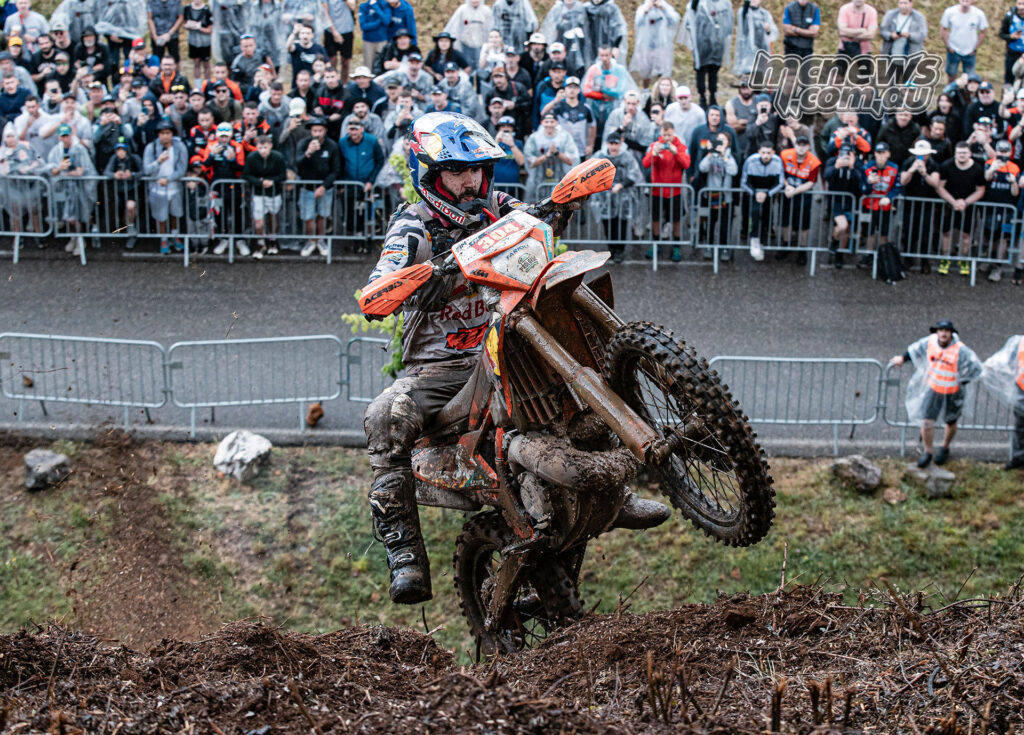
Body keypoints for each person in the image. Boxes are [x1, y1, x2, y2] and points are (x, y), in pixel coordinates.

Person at [890, 320, 982, 468]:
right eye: (941, 330)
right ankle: (928, 452)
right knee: (926, 421)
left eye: (947, 331)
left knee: (950, 421)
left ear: (952, 333)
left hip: (953, 392)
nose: (943, 333)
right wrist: (902, 358)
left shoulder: (960, 350)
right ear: (937, 332)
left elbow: (976, 368)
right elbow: (915, 350)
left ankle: (945, 447)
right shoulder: (930, 342)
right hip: (933, 389)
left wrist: (962, 380)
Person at [591, 130, 643, 262]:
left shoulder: (627, 157)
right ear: (607, 143)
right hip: (605, 199)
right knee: (608, 224)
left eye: (616, 143)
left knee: (621, 224)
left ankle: (620, 250)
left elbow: (634, 173)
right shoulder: (599, 156)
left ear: (620, 144)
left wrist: (621, 185)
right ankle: (611, 249)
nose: (614, 146)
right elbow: (591, 173)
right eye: (611, 143)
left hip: (623, 198)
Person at [936, 140, 986, 276]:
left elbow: (981, 190)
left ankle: (963, 259)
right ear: (955, 154)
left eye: (964, 153)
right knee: (946, 232)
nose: (961, 156)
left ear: (969, 153)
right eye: (959, 153)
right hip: (949, 204)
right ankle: (945, 258)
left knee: (966, 234)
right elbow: (940, 187)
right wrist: (953, 202)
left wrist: (965, 202)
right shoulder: (947, 166)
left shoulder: (977, 169)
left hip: (968, 206)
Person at [642, 119, 690, 260]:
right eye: (664, 135)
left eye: (669, 135)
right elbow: (645, 163)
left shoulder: (680, 146)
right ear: (661, 133)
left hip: (675, 191)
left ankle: (676, 246)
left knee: (676, 219)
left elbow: (686, 164)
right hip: (657, 190)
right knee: (656, 218)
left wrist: (676, 153)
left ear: (673, 133)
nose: (667, 138)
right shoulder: (655, 145)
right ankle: (655, 243)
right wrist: (653, 154)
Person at [47, 121, 96, 256]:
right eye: (62, 136)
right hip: (64, 189)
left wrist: (65, 173)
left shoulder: (79, 149)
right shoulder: (56, 151)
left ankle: (80, 240)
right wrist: (60, 169)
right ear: (58, 137)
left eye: (67, 135)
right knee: (68, 217)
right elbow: (51, 170)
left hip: (79, 188)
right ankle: (73, 238)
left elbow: (81, 171)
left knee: (76, 217)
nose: (65, 138)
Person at [296, 116, 340, 257]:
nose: (317, 134)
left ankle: (321, 240)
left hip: (325, 188)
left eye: (320, 130)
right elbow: (297, 164)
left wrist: (324, 186)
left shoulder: (332, 146)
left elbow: (336, 170)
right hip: (306, 187)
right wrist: (308, 153)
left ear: (325, 131)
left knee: (322, 215)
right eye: (314, 130)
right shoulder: (303, 144)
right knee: (308, 217)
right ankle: (311, 240)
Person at [143, 118, 187, 254]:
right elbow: (147, 169)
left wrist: (169, 179)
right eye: (162, 133)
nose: (165, 136)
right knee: (161, 217)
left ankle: (175, 237)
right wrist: (158, 161)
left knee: (175, 214)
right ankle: (163, 239)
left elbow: (182, 168)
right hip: (158, 189)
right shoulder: (151, 147)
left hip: (174, 188)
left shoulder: (180, 147)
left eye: (168, 133)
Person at [980, 334, 1024, 470]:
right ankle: (1018, 458)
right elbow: (1005, 358)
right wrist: (990, 365)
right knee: (1020, 428)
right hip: (1021, 391)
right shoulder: (1020, 342)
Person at [680, 0, 733, 110]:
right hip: (702, 43)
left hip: (717, 44)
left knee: (714, 71)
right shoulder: (699, 3)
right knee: (701, 71)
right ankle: (702, 97)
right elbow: (690, 16)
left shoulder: (723, 4)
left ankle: (713, 96)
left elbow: (728, 24)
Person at [859, 141, 901, 277]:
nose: (881, 156)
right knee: (870, 231)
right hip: (869, 204)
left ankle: (882, 255)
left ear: (888, 154)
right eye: (878, 153)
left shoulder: (894, 168)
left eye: (883, 153)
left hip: (886, 206)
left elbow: (897, 186)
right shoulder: (868, 167)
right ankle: (869, 254)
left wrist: (889, 197)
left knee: (884, 232)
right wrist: (869, 183)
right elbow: (862, 187)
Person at [898, 139, 941, 271]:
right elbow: (903, 181)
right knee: (908, 231)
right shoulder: (908, 163)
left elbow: (935, 183)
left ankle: (924, 260)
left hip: (927, 204)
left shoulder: (933, 165)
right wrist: (912, 170)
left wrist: (924, 173)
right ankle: (908, 259)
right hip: (910, 203)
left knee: (925, 233)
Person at [980, 138, 1019, 282]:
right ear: (996, 151)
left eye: (1006, 151)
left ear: (1010, 153)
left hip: (1007, 210)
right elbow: (986, 178)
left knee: (1003, 239)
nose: (1003, 154)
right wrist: (992, 169)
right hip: (990, 207)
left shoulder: (1014, 168)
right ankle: (987, 260)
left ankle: (998, 267)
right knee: (989, 236)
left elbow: (1015, 193)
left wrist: (1013, 182)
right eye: (1000, 151)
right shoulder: (990, 164)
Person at [241, 134, 286, 257]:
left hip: (273, 193)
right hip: (258, 194)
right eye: (260, 148)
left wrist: (271, 181)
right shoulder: (252, 157)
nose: (263, 151)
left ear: (270, 146)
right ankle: (260, 243)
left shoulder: (278, 157)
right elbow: (246, 175)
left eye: (265, 147)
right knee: (258, 222)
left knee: (273, 217)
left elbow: (283, 175)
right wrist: (259, 182)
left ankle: (272, 240)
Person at [778, 134, 819, 265]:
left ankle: (802, 250)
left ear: (808, 147)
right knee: (785, 221)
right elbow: (780, 173)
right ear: (794, 145)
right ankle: (786, 245)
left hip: (803, 196)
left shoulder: (814, 162)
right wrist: (787, 186)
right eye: (798, 145)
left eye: (804, 145)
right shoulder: (785, 155)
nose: (801, 148)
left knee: (803, 224)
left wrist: (795, 191)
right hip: (787, 192)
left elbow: (811, 182)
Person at [741, 142, 783, 261]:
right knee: (754, 213)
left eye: (769, 153)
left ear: (773, 153)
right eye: (763, 152)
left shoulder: (777, 162)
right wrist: (754, 193)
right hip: (754, 190)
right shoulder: (751, 161)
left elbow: (779, 182)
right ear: (759, 152)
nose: (766, 156)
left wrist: (768, 193)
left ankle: (763, 241)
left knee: (767, 215)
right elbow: (744, 181)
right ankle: (754, 240)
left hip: (768, 191)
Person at [581, 44, 631, 138]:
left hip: (613, 108)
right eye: (602, 55)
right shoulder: (594, 69)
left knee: (610, 132)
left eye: (606, 55)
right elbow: (586, 91)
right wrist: (603, 95)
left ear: (611, 55)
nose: (604, 58)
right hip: (595, 107)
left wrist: (600, 89)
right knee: (595, 133)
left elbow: (619, 92)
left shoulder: (619, 70)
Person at [103, 141, 142, 248]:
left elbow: (143, 172)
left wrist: (132, 175)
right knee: (117, 210)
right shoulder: (114, 159)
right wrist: (114, 175)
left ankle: (131, 229)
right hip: (118, 190)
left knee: (130, 207)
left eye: (123, 150)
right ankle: (122, 228)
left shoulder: (134, 158)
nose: (120, 153)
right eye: (118, 150)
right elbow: (107, 172)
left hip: (131, 189)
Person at [941, 0, 989, 83]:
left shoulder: (979, 14)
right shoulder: (949, 12)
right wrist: (948, 46)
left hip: (970, 51)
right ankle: (950, 94)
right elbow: (943, 29)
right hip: (953, 50)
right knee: (951, 77)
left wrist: (975, 48)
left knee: (969, 79)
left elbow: (984, 32)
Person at [880, 0, 927, 80]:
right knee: (892, 84)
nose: (903, 6)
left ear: (911, 3)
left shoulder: (919, 17)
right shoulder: (890, 15)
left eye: (905, 3)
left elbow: (922, 35)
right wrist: (891, 35)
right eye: (900, 3)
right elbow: (882, 31)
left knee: (908, 85)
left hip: (911, 57)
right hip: (892, 56)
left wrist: (909, 35)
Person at [734, 0, 779, 77]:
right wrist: (746, 5)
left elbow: (773, 34)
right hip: (747, 53)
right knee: (747, 79)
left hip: (762, 52)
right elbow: (742, 26)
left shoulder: (765, 14)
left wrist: (768, 30)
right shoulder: (744, 12)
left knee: (759, 79)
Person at [444, 0, 492, 66]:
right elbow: (454, 28)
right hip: (466, 47)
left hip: (482, 48)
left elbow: (490, 29)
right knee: (467, 68)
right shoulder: (462, 10)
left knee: (481, 69)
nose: (474, 1)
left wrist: (489, 46)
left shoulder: (486, 11)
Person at [323, 0, 356, 82]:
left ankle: (344, 84)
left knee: (345, 61)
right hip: (330, 31)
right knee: (332, 60)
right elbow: (325, 14)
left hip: (347, 30)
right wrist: (334, 31)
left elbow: (353, 7)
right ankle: (331, 81)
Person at [183, 0, 213, 82]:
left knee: (206, 63)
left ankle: (207, 84)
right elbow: (184, 23)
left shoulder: (207, 10)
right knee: (196, 63)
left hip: (205, 42)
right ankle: (198, 85)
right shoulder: (187, 8)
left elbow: (210, 30)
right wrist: (188, 25)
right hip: (193, 41)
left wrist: (199, 27)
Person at [358, 0, 392, 68]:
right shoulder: (363, 6)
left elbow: (386, 21)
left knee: (382, 66)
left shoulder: (385, 5)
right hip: (368, 41)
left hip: (382, 41)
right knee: (368, 67)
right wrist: (378, 22)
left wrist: (375, 6)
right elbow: (363, 26)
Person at [1000, 0, 1024, 86]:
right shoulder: (1010, 16)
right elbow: (1001, 34)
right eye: (1019, 4)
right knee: (1009, 79)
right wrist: (1011, 37)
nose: (1021, 7)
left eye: (1023, 4)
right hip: (1012, 53)